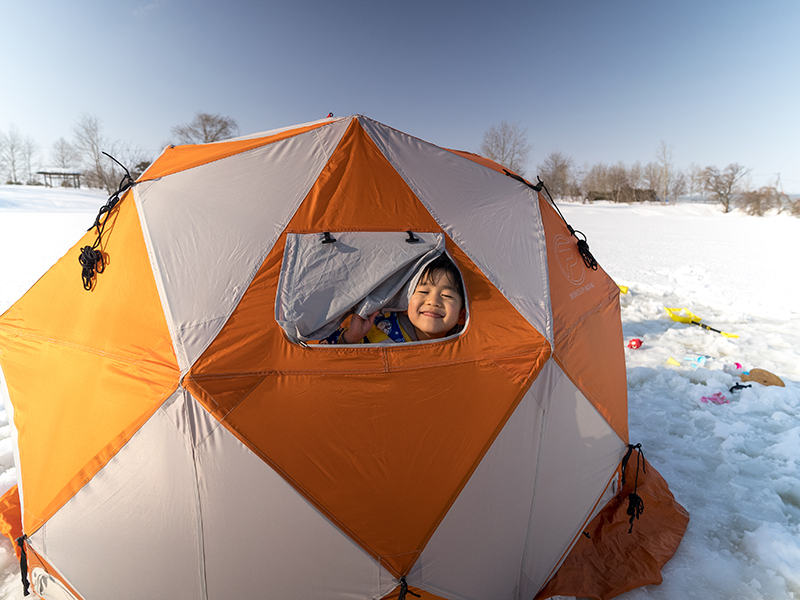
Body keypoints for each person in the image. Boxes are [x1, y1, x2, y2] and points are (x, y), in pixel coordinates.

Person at [324, 254, 465, 344]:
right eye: (423, 291)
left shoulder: (467, 344)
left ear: (462, 315)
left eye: (447, 296)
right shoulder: (378, 331)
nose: (433, 301)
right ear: (404, 303)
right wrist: (351, 338)